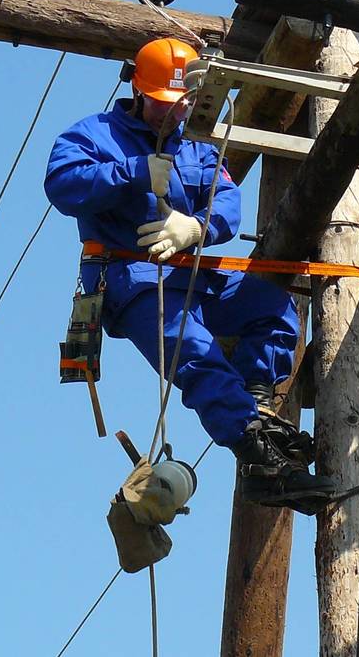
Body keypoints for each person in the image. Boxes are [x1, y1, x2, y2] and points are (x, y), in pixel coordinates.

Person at [44, 36, 335, 511]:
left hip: (197, 276)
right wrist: (134, 173)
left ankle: (257, 407)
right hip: (135, 281)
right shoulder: (94, 134)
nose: (174, 115)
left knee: (275, 310)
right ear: (138, 91)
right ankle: (257, 457)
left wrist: (197, 226)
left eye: (182, 105)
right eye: (164, 105)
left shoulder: (195, 149)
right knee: (196, 355)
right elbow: (61, 184)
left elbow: (227, 201)